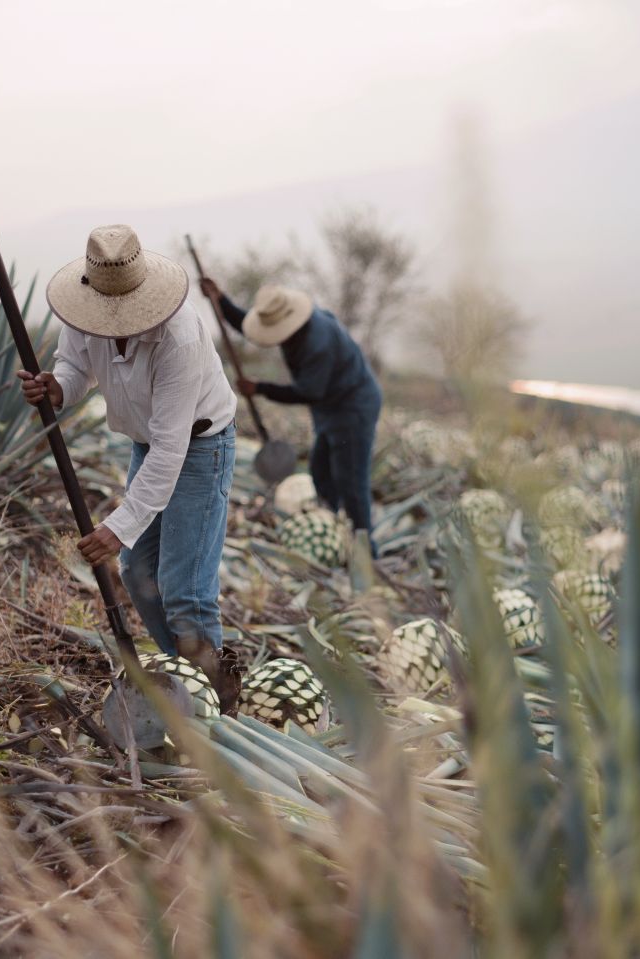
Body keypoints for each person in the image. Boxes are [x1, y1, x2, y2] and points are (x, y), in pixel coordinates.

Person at [19, 225, 242, 712]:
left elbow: (171, 449)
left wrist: (118, 526)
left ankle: (218, 704)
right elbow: (75, 366)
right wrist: (56, 388)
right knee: (138, 572)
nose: (115, 321)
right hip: (149, 443)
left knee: (185, 590)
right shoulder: (84, 309)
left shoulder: (178, 336)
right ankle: (184, 684)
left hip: (200, 447)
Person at [199, 278, 382, 551]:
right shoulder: (296, 324)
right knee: (320, 470)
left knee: (351, 481)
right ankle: (333, 531)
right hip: (330, 407)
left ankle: (368, 554)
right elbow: (250, 326)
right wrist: (220, 300)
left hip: (353, 406)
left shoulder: (317, 342)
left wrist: (260, 387)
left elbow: (309, 391)